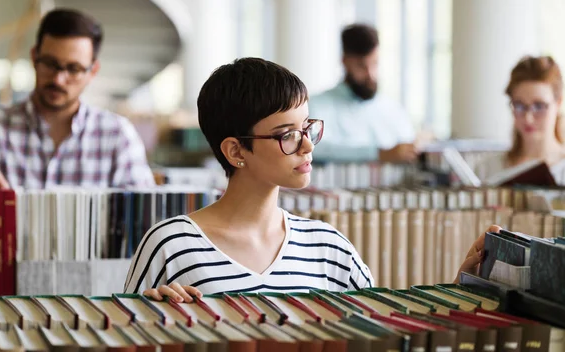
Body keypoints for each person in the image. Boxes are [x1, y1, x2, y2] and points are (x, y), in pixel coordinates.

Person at [124, 57, 497, 301]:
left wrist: (460, 290)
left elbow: (381, 335)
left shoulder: (329, 249)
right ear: (236, 151)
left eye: (307, 127)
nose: (307, 145)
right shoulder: (170, 246)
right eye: (286, 134)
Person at [0, 8, 155, 190]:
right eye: (49, 64)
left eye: (73, 69)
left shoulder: (118, 136)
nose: (58, 79)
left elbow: (145, 218)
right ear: (34, 57)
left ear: (93, 71)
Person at [309, 23, 418, 164]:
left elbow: (408, 144)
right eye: (361, 66)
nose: (370, 75)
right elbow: (314, 148)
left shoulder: (392, 108)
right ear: (344, 62)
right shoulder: (318, 106)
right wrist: (378, 154)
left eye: (375, 63)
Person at [475, 56, 565, 184]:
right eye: (519, 105)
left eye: (539, 106)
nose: (528, 118)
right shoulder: (487, 170)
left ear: (558, 103)